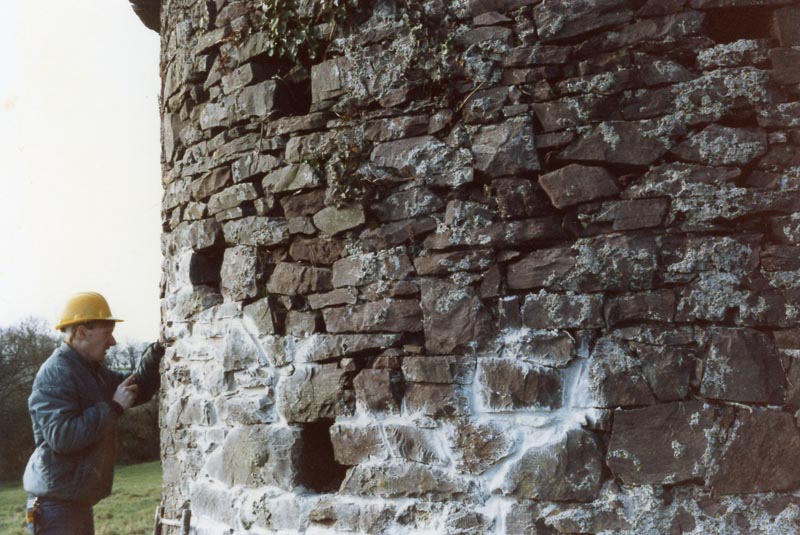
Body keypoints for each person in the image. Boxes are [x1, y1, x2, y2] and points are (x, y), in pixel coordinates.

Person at [22, 291, 164, 535]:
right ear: (81, 332)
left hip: (70, 503)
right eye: (106, 333)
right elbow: (62, 437)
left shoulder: (91, 370)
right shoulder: (56, 373)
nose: (113, 342)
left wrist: (158, 351)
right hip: (55, 508)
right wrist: (113, 407)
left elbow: (134, 389)